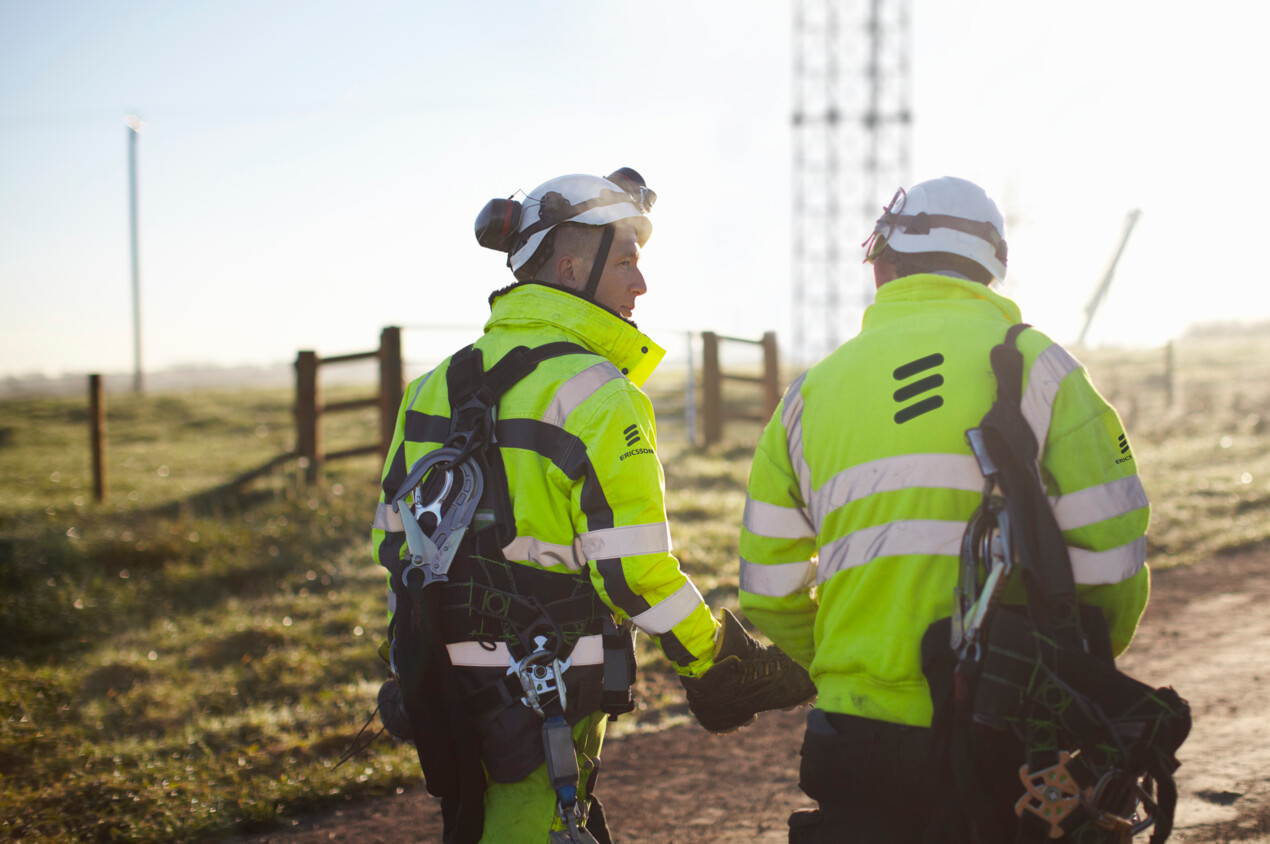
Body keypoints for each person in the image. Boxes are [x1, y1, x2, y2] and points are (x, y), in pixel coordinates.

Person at [374, 167, 814, 844]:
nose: (641, 284)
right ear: (573, 265)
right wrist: (718, 661)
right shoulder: (601, 394)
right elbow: (634, 573)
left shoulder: (433, 384)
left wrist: (422, 655)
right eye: (629, 262)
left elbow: (394, 542)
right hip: (544, 693)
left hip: (442, 684)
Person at [737, 177, 1154, 842]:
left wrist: (847, 664)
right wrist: (1072, 680)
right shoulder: (1044, 372)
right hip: (1013, 732)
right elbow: (1112, 564)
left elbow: (767, 589)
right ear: (991, 268)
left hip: (854, 732)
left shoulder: (808, 397)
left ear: (883, 263)